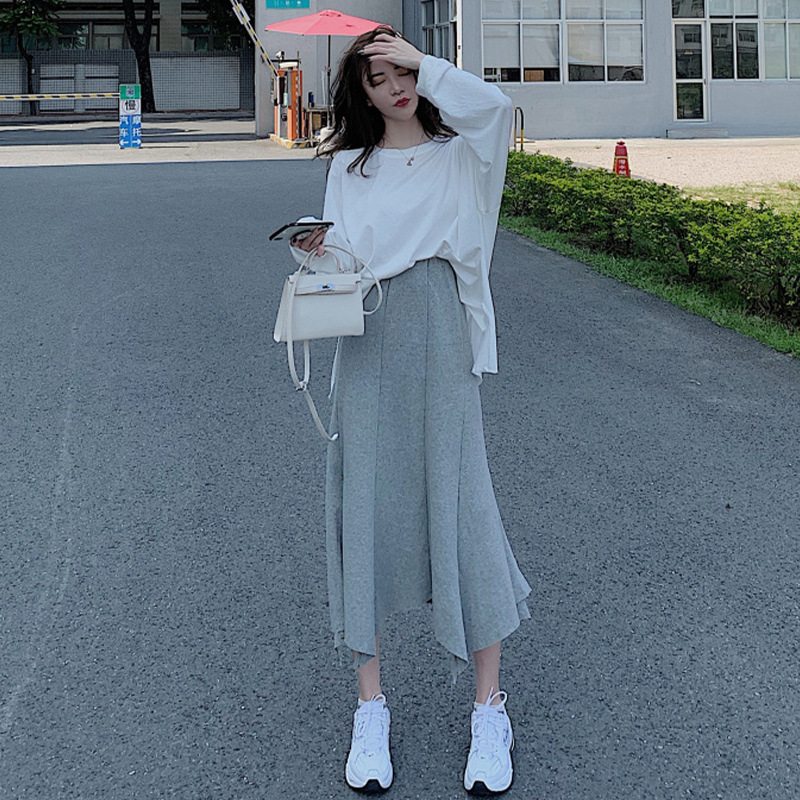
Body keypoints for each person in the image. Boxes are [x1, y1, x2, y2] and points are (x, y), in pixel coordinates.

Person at [290, 26, 531, 796]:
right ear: (360, 95)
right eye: (378, 80)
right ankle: (371, 708)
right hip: (366, 336)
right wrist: (316, 253)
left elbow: (495, 107)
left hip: (439, 327)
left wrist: (426, 62)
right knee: (362, 504)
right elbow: (347, 262)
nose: (395, 88)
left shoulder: (463, 152)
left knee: (462, 504)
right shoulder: (349, 167)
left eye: (402, 73)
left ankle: (489, 710)